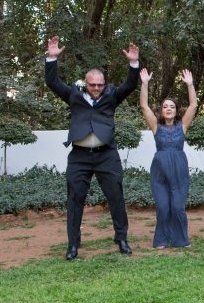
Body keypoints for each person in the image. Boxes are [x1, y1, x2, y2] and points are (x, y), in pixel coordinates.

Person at [44, 36, 139, 260]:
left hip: (107, 155)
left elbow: (130, 85)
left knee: (116, 197)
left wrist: (133, 64)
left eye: (100, 84)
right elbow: (53, 82)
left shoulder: (111, 96)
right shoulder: (73, 95)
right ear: (85, 83)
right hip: (80, 157)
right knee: (75, 200)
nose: (96, 88)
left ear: (104, 84)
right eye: (92, 84)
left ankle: (121, 238)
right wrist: (52, 58)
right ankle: (73, 244)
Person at [138, 68, 198, 249]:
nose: (169, 109)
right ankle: (162, 239)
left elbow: (193, 106)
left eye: (172, 106)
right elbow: (144, 106)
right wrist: (145, 84)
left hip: (179, 170)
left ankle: (180, 240)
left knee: (178, 207)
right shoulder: (156, 126)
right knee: (163, 207)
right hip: (160, 171)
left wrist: (190, 85)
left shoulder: (182, 126)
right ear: (162, 111)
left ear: (176, 110)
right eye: (165, 106)